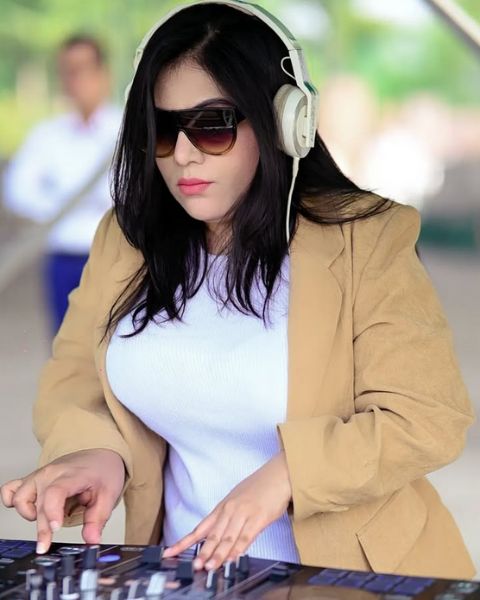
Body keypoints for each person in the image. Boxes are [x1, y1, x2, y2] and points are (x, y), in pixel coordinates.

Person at [0, 0, 476, 579]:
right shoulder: (124, 240)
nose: (184, 154)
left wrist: (286, 477)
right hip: (183, 578)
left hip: (350, 579)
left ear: (284, 121)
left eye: (213, 125)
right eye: (164, 130)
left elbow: (427, 416)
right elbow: (74, 378)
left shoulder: (368, 239)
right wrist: (99, 453)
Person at [2, 35, 122, 332]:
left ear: (103, 74)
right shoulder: (46, 135)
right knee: (67, 347)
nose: (74, 80)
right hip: (63, 258)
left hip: (118, 257)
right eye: (67, 71)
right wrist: (61, 206)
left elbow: (135, 193)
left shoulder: (129, 130)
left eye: (82, 69)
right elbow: (18, 190)